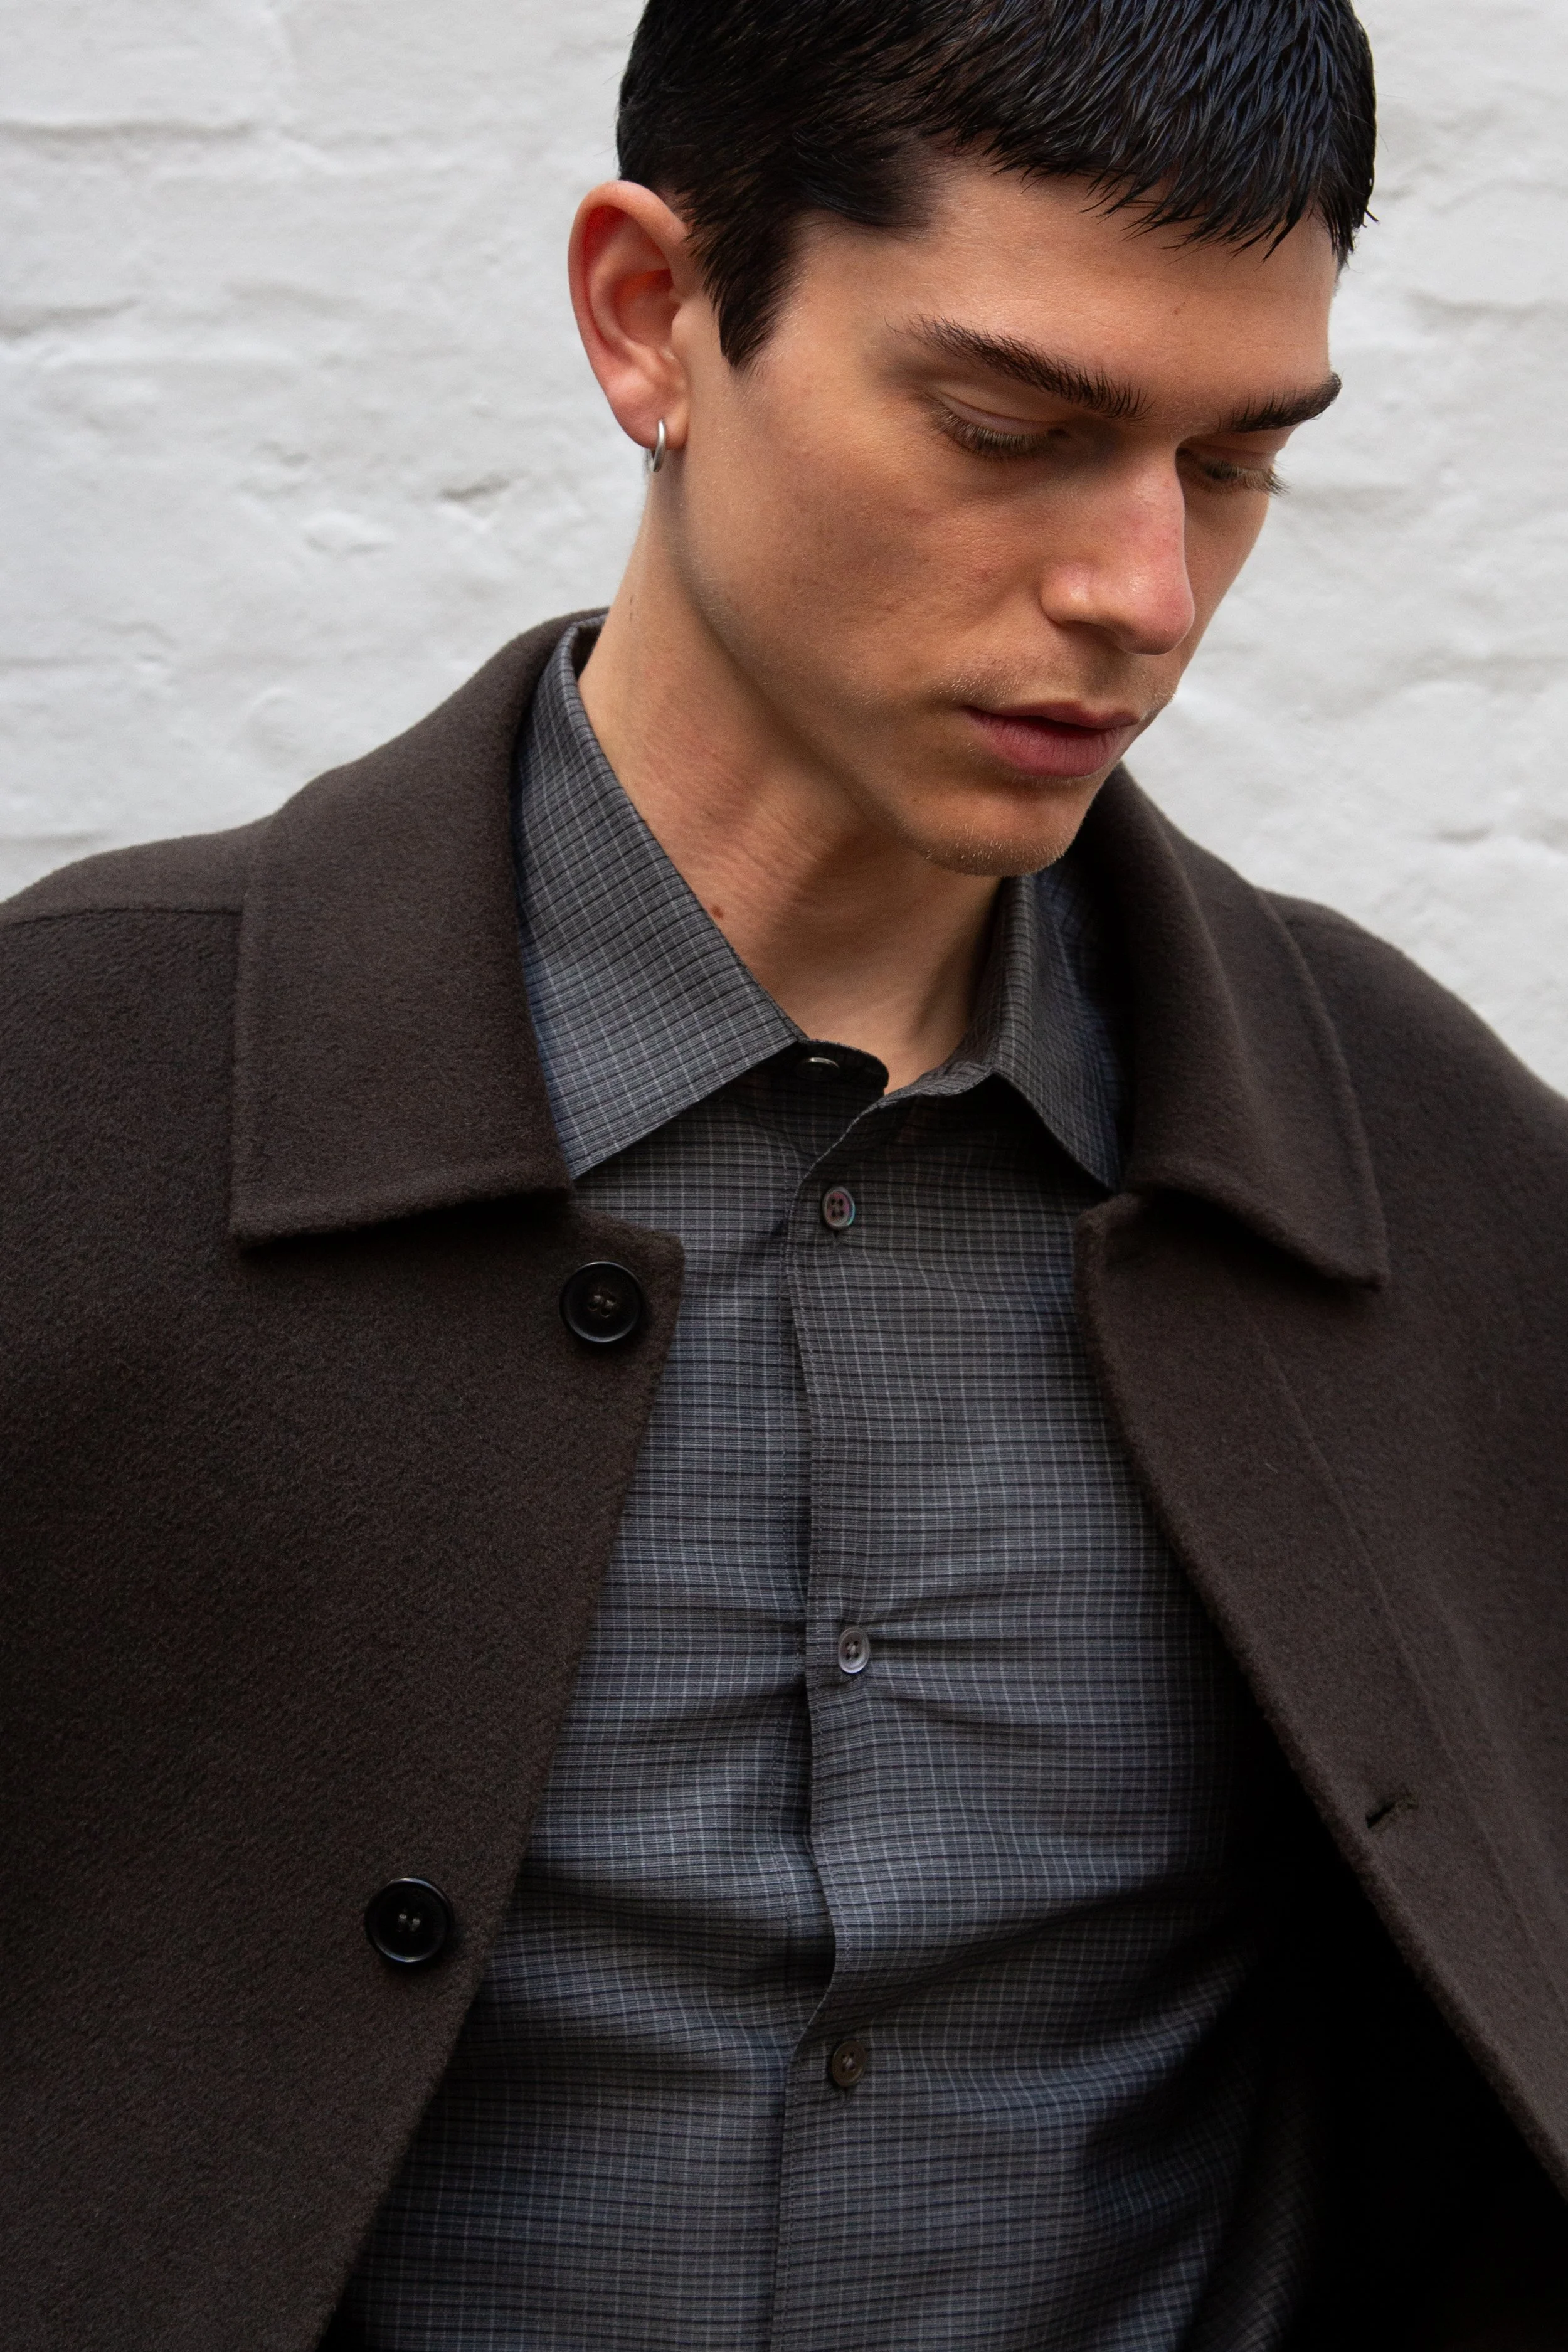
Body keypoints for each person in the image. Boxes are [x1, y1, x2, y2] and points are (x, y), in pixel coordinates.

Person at [4, 0, 1568, 2346]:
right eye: (1009, 429)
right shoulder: (68, 1105)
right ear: (652, 314)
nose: (1142, 590)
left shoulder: (1440, 1179)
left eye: (1234, 461)